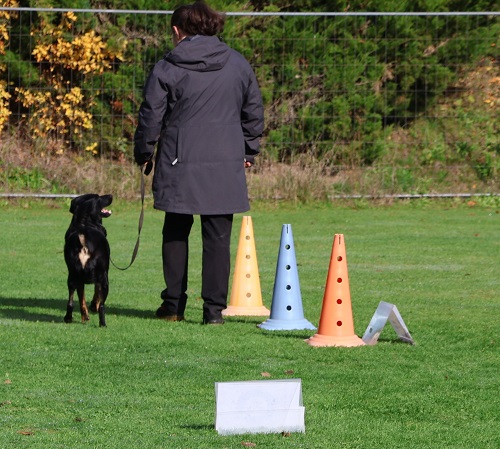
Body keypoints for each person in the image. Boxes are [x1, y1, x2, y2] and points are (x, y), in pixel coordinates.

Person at [134, 1, 264, 324]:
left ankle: (172, 306)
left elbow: (151, 114)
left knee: (176, 231)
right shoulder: (238, 64)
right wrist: (248, 150)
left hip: (180, 161)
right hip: (225, 163)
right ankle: (214, 312)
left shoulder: (167, 66)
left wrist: (144, 152)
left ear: (178, 31)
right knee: (218, 237)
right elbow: (253, 111)